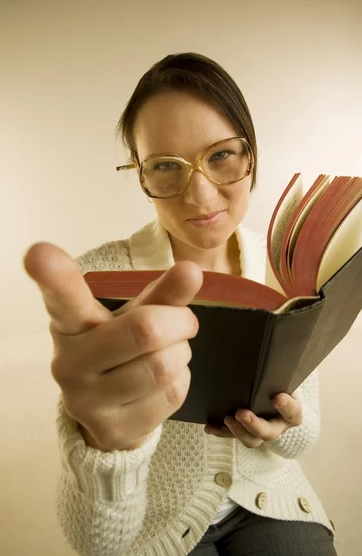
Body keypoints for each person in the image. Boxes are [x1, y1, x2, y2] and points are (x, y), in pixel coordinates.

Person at [24, 53, 337, 556]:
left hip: (271, 505)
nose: (200, 193)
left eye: (220, 156)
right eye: (166, 166)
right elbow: (97, 545)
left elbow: (306, 436)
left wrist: (286, 425)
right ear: (141, 173)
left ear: (250, 153)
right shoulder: (99, 280)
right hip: (153, 530)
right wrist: (108, 449)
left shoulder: (285, 266)